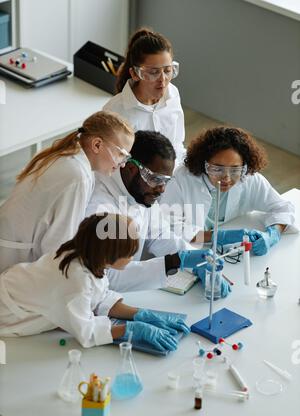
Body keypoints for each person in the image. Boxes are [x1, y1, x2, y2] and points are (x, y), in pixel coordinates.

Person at [0, 213, 190, 352]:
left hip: (18, 289)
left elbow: (99, 296)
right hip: (9, 314)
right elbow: (87, 333)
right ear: (109, 253)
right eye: (129, 253)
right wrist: (130, 329)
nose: (132, 258)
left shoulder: (86, 256)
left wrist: (142, 314)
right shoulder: (74, 280)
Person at [86, 130, 231, 297]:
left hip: (129, 291)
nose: (161, 189)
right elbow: (108, 276)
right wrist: (173, 262)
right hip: (97, 301)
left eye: (166, 181)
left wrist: (196, 261)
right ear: (132, 168)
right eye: (156, 179)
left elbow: (159, 235)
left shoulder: (140, 191)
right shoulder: (100, 207)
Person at [0, 111, 134, 274]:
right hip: (10, 265)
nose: (122, 164)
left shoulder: (72, 159)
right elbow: (58, 249)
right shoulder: (77, 176)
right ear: (97, 145)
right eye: (121, 154)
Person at [160, 126, 298, 256]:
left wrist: (273, 234)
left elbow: (283, 208)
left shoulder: (249, 179)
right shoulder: (181, 180)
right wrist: (216, 236)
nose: (226, 177)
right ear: (204, 163)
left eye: (235, 169)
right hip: (189, 251)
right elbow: (169, 228)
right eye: (217, 168)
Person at [103, 28, 186, 164]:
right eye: (154, 72)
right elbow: (110, 164)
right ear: (135, 74)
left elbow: (177, 145)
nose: (163, 79)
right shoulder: (114, 112)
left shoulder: (173, 94)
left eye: (167, 70)